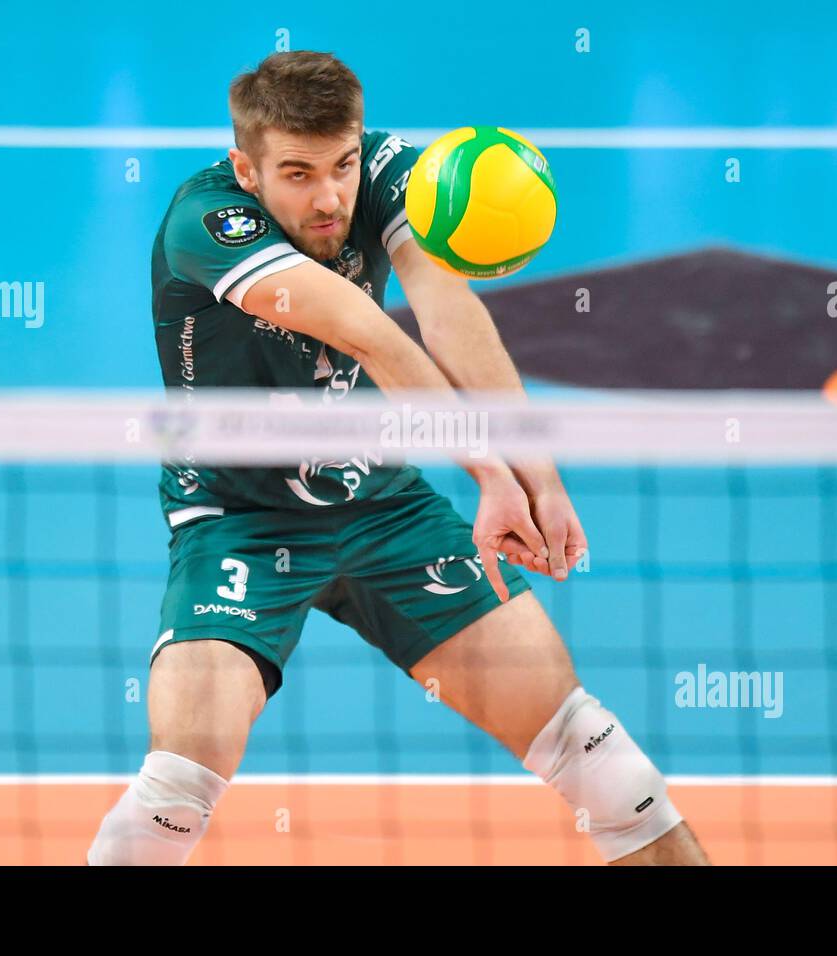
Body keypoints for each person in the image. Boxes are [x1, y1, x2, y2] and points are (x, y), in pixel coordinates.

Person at [87, 50, 709, 866]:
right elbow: (368, 331)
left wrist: (539, 475)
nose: (330, 196)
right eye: (298, 174)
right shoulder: (208, 224)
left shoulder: (389, 173)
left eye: (341, 165)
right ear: (247, 168)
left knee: (605, 766)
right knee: (172, 797)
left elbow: (445, 307)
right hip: (238, 519)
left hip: (381, 502)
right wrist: (490, 474)